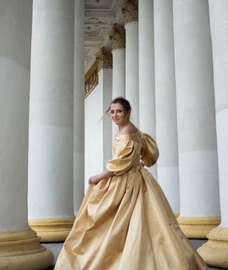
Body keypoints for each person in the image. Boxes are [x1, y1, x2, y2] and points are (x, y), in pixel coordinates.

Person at [55, 97, 207, 270]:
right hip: (134, 177)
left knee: (112, 219)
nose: (115, 115)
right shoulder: (133, 131)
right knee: (135, 221)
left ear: (128, 112)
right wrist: (139, 163)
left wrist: (100, 176)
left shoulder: (127, 132)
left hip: (126, 181)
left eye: (119, 111)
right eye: (112, 112)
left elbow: (121, 162)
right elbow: (147, 154)